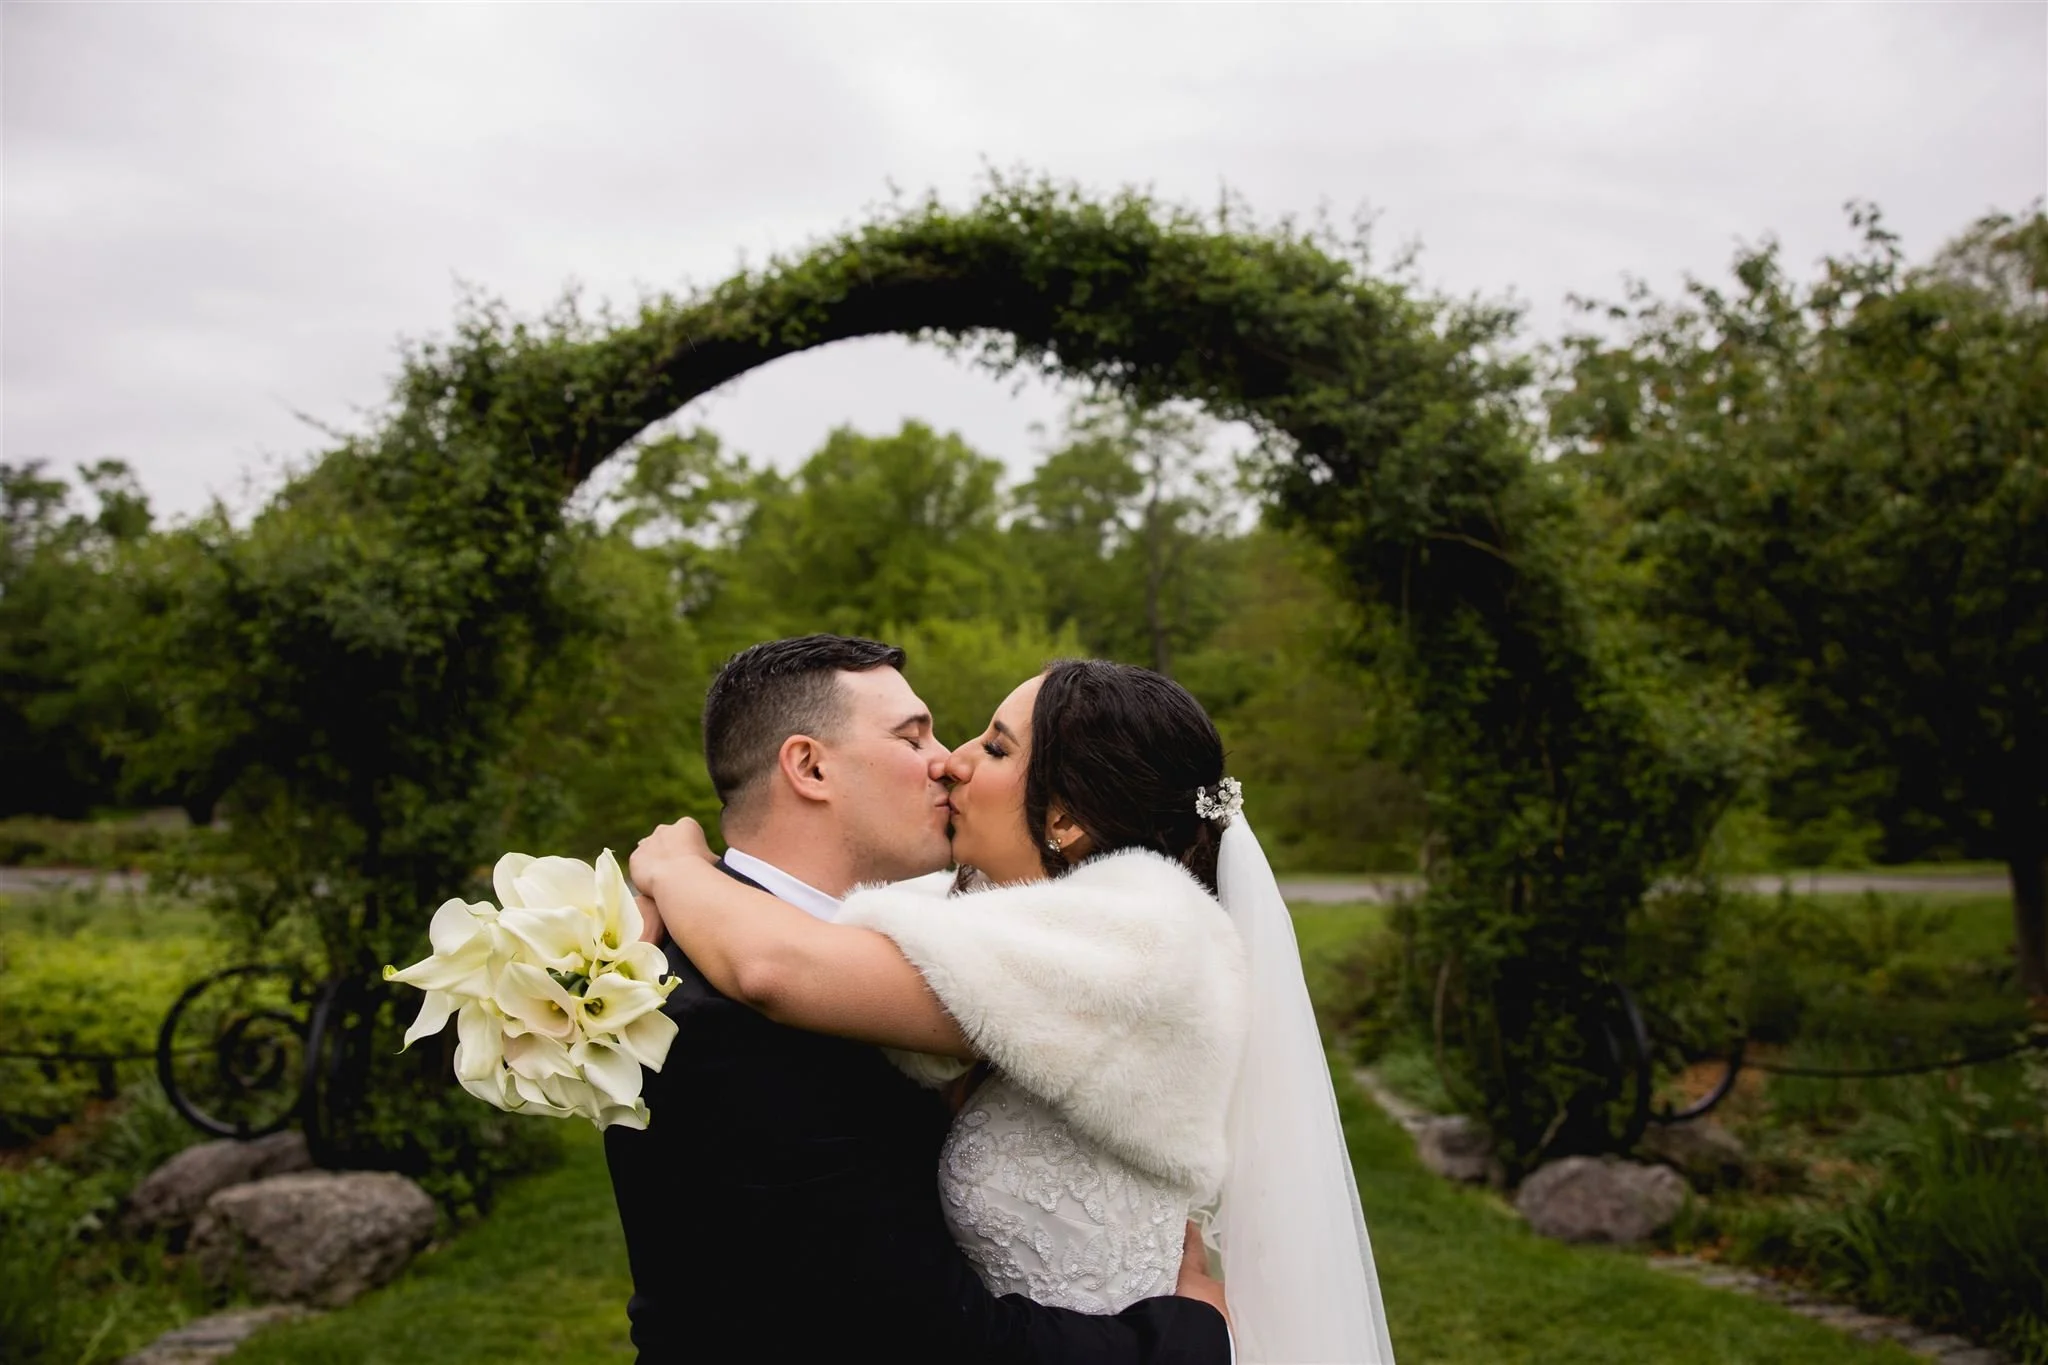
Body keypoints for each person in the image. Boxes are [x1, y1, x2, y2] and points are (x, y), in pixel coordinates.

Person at [633, 653, 1397, 1364]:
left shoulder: (1142, 930)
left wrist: (675, 862)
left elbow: (775, 964)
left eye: (996, 748)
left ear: (1064, 816)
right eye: (919, 735)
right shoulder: (990, 916)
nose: (952, 760)